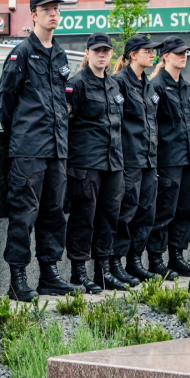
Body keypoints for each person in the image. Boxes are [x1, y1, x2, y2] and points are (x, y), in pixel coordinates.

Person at [0, 0, 76, 300]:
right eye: (47, 9)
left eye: (56, 9)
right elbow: (4, 100)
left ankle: (49, 275)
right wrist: (21, 134)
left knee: (54, 213)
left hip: (57, 149)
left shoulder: (61, 55)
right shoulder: (22, 53)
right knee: (24, 213)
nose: (53, 14)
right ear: (34, 15)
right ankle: (17, 279)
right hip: (29, 148)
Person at [64, 33, 129, 293]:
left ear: (112, 54)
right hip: (86, 163)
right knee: (84, 217)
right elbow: (66, 123)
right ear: (87, 53)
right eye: (97, 50)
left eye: (106, 51)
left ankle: (102, 271)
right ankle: (78, 272)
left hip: (113, 163)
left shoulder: (114, 85)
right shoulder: (76, 84)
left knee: (109, 216)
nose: (102, 55)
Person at [146, 36, 190, 279]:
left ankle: (177, 256)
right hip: (168, 159)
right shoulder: (156, 85)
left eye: (185, 52)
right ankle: (156, 258)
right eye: (178, 53)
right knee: (165, 210)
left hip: (188, 159)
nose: (183, 56)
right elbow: (152, 126)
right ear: (165, 55)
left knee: (184, 210)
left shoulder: (186, 86)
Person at [110, 34, 161, 283]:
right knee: (126, 212)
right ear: (133, 54)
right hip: (129, 159)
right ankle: (116, 262)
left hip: (149, 160)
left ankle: (134, 261)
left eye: (153, 51)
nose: (153, 55)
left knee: (146, 212)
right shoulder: (119, 82)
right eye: (147, 51)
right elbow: (115, 123)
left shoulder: (147, 83)